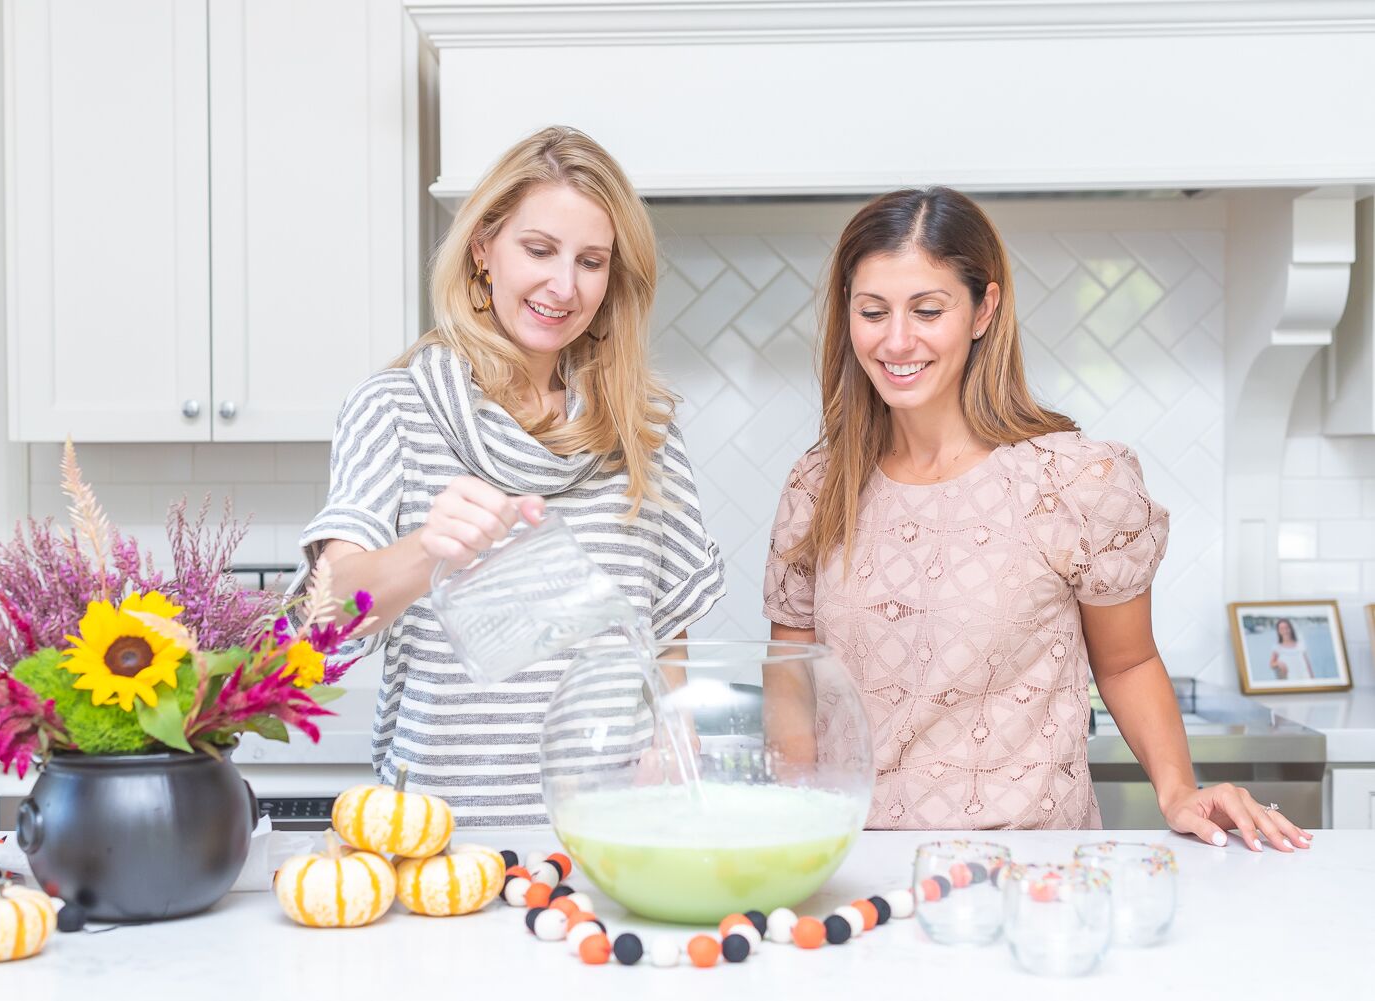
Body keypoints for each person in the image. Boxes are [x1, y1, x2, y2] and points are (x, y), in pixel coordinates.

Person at [763, 187, 1310, 851]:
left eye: (928, 310)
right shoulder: (820, 486)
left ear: (983, 310)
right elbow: (792, 673)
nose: (896, 339)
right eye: (872, 311)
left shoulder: (1072, 482)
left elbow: (1129, 662)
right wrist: (797, 815)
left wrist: (1178, 788)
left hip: (1028, 871)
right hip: (854, 863)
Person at [299, 127, 724, 827]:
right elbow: (327, 619)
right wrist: (427, 548)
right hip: (443, 844)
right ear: (483, 249)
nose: (564, 285)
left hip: (610, 840)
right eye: (538, 250)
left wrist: (673, 745)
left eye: (591, 261)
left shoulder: (642, 429)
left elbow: (667, 637)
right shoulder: (397, 407)